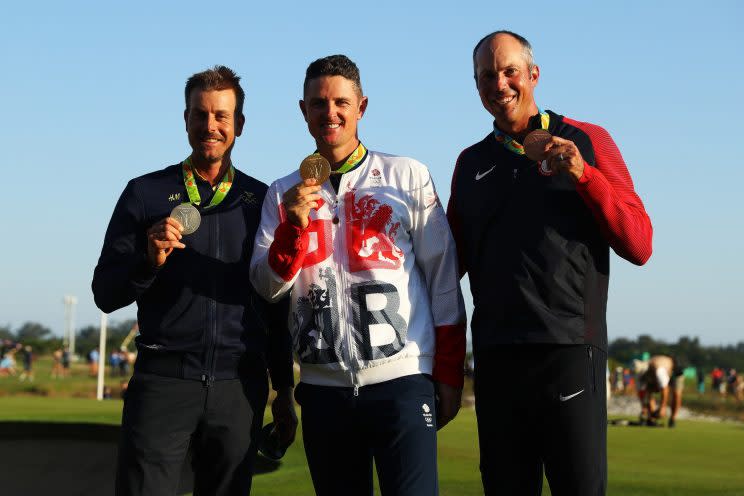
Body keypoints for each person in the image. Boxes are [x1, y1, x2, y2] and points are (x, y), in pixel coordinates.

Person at [447, 31, 653, 495]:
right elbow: (446, 267)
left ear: (533, 75)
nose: (499, 84)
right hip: (497, 360)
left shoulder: (588, 140)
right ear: (476, 87)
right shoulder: (470, 163)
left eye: (509, 71)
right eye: (486, 76)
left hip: (568, 351)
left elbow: (640, 244)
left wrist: (585, 175)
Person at [250, 54, 466, 496]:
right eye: (318, 103)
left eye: (341, 102)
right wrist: (292, 227)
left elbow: (443, 279)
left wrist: (447, 371)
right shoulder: (281, 191)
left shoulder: (406, 175)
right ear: (303, 110)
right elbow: (268, 287)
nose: (330, 112)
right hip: (324, 389)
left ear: (361, 107)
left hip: (401, 381)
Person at [92, 65, 297, 496]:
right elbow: (105, 294)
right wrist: (148, 262)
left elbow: (275, 303)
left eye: (221, 116)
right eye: (200, 115)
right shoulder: (144, 193)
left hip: (238, 389)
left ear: (239, 124)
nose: (210, 126)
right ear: (185, 119)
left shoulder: (261, 200)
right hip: (163, 383)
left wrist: (283, 388)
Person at [638, 355, 684, 427]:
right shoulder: (641, 374)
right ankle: (651, 418)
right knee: (649, 389)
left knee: (676, 394)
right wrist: (644, 409)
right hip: (659, 371)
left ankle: (673, 419)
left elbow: (665, 390)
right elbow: (644, 392)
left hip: (675, 372)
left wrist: (663, 407)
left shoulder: (659, 371)